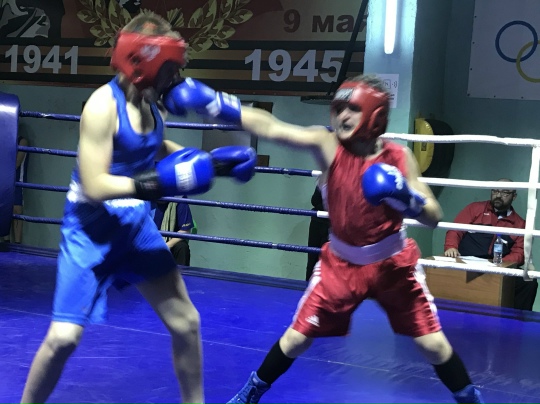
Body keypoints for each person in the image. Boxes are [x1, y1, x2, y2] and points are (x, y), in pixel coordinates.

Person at [163, 75, 485, 403]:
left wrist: (406, 196)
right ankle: (251, 392)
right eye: (339, 108)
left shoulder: (399, 157)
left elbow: (433, 216)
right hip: (342, 265)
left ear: (375, 116)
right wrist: (215, 103)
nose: (342, 116)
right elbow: (272, 128)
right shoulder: (328, 145)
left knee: (433, 345)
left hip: (393, 264)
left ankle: (471, 399)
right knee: (297, 338)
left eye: (352, 109)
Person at [20, 13, 257, 404]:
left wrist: (212, 164)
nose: (175, 78)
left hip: (135, 227)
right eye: (170, 68)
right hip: (91, 229)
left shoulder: (153, 105)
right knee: (64, 338)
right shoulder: (102, 106)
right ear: (144, 62)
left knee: (186, 322)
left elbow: (155, 148)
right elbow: (95, 184)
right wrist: (157, 183)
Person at [444, 181, 537, 310]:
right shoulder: (474, 209)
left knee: (529, 282)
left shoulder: (520, 224)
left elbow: (520, 253)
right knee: (440, 272)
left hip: (498, 266)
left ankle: (517, 320)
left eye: (505, 192)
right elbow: (455, 230)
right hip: (467, 262)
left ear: (514, 196)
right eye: (495, 191)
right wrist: (451, 247)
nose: (498, 195)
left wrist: (499, 263)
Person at [152, 197, 196, 266]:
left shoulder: (179, 200)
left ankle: (181, 272)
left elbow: (185, 231)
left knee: (182, 247)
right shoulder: (142, 201)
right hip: (147, 242)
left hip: (168, 243)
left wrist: (167, 246)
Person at [4, 135, 29, 244]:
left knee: (17, 210)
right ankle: (5, 241)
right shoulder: (4, 141)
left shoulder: (22, 141)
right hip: (5, 181)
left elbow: (16, 164)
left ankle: (18, 244)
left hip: (18, 180)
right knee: (4, 209)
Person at [305, 186, 330, 280]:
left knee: (326, 262)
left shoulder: (344, 184)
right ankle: (308, 285)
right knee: (312, 259)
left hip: (330, 225)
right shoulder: (324, 181)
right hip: (318, 222)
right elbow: (314, 200)